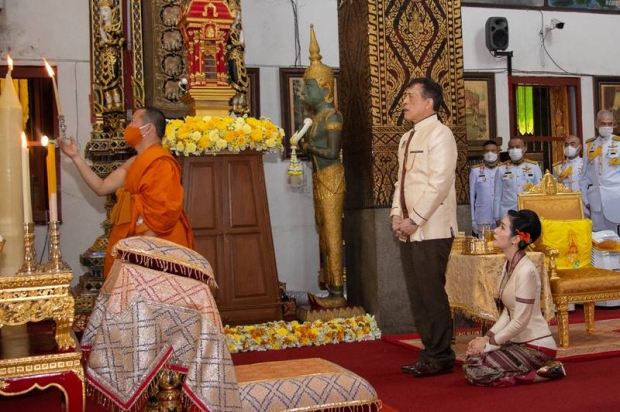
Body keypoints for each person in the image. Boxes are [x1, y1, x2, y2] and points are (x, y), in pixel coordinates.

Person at [58, 106, 194, 277]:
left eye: (133, 122)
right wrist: (76, 157)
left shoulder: (161, 162)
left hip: (159, 245)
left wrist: (142, 252)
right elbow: (101, 187)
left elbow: (163, 213)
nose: (128, 128)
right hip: (135, 240)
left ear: (148, 128)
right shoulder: (135, 162)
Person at [391, 77, 458, 378]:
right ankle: (430, 351)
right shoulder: (407, 138)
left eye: (409, 97)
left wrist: (414, 219)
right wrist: (396, 215)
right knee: (417, 294)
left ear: (428, 102)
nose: (404, 102)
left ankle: (441, 355)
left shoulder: (440, 135)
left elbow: (439, 183)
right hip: (409, 228)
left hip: (432, 229)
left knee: (432, 293)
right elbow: (400, 183)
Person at [463, 209, 566, 387]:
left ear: (515, 239)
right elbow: (508, 313)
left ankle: (542, 374)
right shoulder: (508, 265)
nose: (495, 231)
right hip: (519, 343)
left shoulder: (526, 271)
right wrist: (486, 339)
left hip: (537, 346)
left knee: (479, 369)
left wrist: (489, 345)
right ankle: (535, 370)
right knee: (472, 362)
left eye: (502, 227)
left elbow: (520, 322)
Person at [297, 25, 346, 308]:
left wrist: (308, 147)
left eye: (309, 87)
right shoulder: (315, 119)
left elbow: (331, 151)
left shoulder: (332, 118)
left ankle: (339, 293)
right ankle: (330, 286)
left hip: (332, 177)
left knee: (332, 232)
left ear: (326, 89)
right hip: (320, 178)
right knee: (323, 233)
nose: (304, 93)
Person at [579, 110, 620, 232]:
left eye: (610, 124)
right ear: (597, 124)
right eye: (603, 123)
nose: (607, 127)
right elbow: (583, 176)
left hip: (615, 197)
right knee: (598, 236)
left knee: (616, 238)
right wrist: (585, 199)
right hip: (595, 199)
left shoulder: (618, 143)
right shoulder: (590, 145)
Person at [493, 137, 542, 226]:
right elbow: (497, 195)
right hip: (507, 212)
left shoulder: (534, 167)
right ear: (508, 150)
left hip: (528, 212)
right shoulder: (501, 169)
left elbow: (539, 193)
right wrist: (497, 217)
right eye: (511, 147)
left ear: (524, 149)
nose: (514, 149)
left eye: (517, 147)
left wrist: (538, 213)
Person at [470, 140, 500, 236]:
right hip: (483, 216)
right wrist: (473, 219)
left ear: (498, 153)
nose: (489, 153)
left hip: (501, 217)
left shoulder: (504, 170)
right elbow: (471, 197)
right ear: (483, 153)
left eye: (493, 150)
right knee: (484, 247)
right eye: (486, 151)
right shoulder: (476, 171)